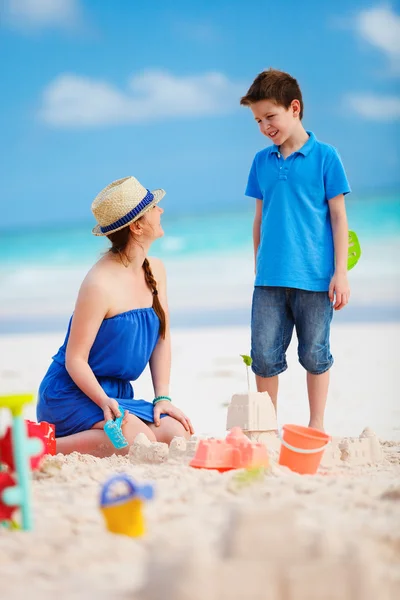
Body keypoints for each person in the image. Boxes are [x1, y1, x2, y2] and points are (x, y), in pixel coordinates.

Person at [37, 176, 193, 457]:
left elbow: (161, 338)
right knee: (136, 440)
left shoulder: (156, 269)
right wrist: (103, 400)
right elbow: (75, 360)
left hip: (116, 392)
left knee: (175, 432)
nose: (161, 211)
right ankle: (39, 446)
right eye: (154, 207)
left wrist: (163, 397)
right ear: (136, 226)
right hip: (73, 393)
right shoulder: (99, 283)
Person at [240, 68, 351, 431]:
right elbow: (260, 218)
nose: (264, 126)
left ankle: (316, 423)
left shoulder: (326, 157)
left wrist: (341, 272)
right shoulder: (260, 162)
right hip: (269, 278)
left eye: (270, 116)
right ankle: (267, 427)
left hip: (316, 278)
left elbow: (338, 218)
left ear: (295, 108)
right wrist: (258, 264)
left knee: (315, 354)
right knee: (264, 357)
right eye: (258, 120)